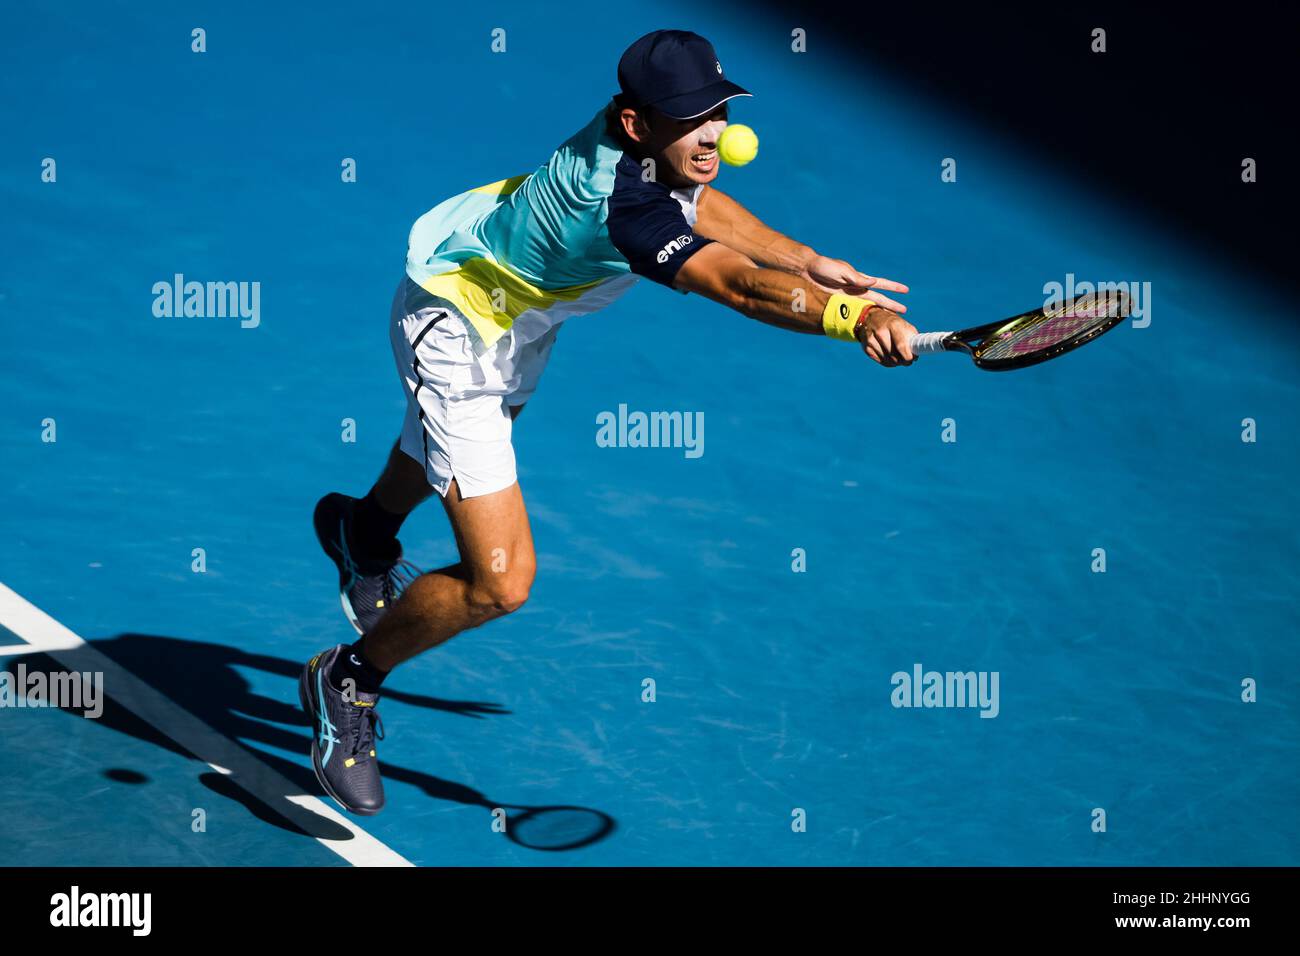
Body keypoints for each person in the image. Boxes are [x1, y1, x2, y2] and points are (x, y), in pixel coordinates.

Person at [299, 29, 916, 815]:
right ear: (634, 123)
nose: (711, 134)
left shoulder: (648, 144)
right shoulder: (625, 207)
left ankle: (365, 533)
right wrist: (847, 316)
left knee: (450, 451)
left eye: (717, 111)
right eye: (689, 118)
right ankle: (345, 682)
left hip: (519, 310)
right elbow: (739, 287)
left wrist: (802, 255)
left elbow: (702, 202)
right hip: (457, 321)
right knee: (501, 581)